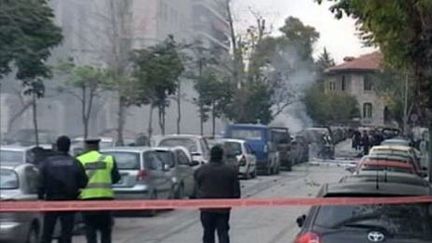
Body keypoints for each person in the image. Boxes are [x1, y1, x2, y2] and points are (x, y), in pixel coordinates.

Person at [38, 136, 88, 243]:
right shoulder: (75, 162)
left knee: (47, 232)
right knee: (67, 232)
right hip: (69, 202)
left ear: (57, 146)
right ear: (69, 147)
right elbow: (83, 182)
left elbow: (40, 182)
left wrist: (41, 196)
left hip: (51, 201)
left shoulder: (47, 163)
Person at [77, 138, 121, 243]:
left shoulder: (79, 160)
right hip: (105, 199)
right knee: (105, 230)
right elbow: (116, 178)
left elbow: (76, 179)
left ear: (86, 146)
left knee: (90, 229)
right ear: (98, 146)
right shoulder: (108, 159)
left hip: (87, 200)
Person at [194, 145, 241, 243]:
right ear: (222, 156)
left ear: (210, 155)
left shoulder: (201, 170)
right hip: (223, 209)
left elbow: (196, 189)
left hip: (206, 208)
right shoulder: (230, 171)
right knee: (223, 232)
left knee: (208, 233)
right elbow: (236, 192)